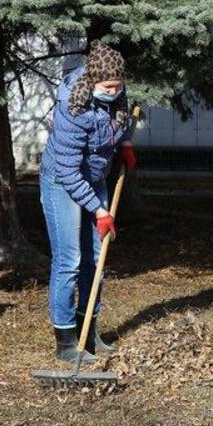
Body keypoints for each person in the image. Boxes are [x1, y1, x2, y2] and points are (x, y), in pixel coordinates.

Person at [40, 41, 136, 363]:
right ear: (93, 81)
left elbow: (120, 120)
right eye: (108, 86)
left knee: (96, 257)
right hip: (61, 180)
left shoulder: (116, 92)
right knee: (69, 259)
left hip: (94, 177)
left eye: (118, 85)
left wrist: (123, 143)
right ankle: (66, 341)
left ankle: (89, 332)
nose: (114, 91)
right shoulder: (73, 105)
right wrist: (98, 210)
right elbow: (68, 169)